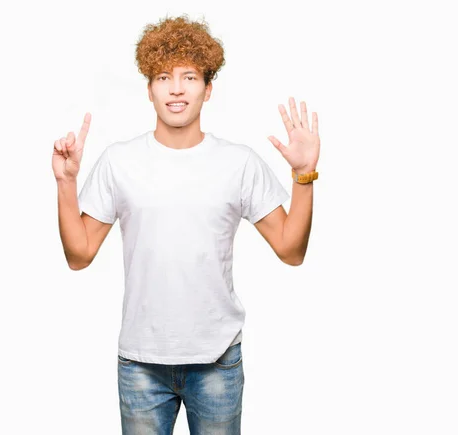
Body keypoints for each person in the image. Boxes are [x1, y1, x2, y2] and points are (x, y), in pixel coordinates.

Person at [52, 14, 320, 435]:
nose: (176, 88)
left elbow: (291, 249)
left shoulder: (239, 163)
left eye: (189, 76)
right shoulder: (119, 162)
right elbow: (79, 255)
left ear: (207, 88)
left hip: (217, 362)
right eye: (163, 76)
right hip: (141, 364)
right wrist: (66, 183)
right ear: (150, 89)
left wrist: (304, 177)